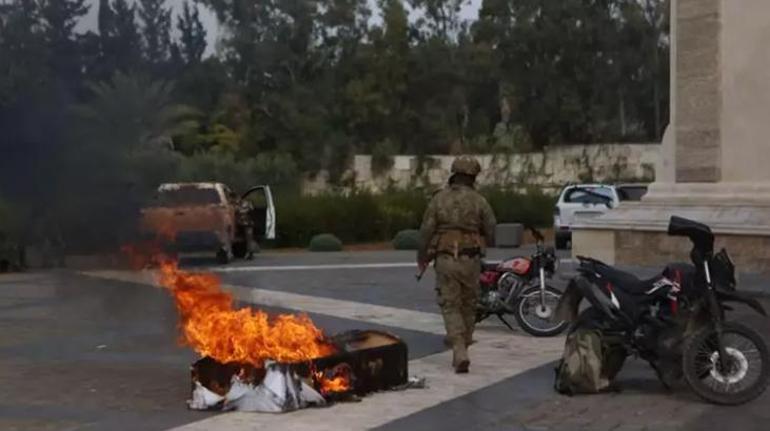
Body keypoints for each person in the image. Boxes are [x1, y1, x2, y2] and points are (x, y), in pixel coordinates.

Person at [418, 156, 496, 373]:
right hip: (471, 260)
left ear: (453, 174)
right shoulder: (480, 201)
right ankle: (465, 342)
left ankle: (459, 348)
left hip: (445, 260)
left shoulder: (438, 199)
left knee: (450, 304)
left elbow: (425, 231)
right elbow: (491, 230)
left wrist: (421, 256)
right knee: (469, 304)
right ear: (472, 177)